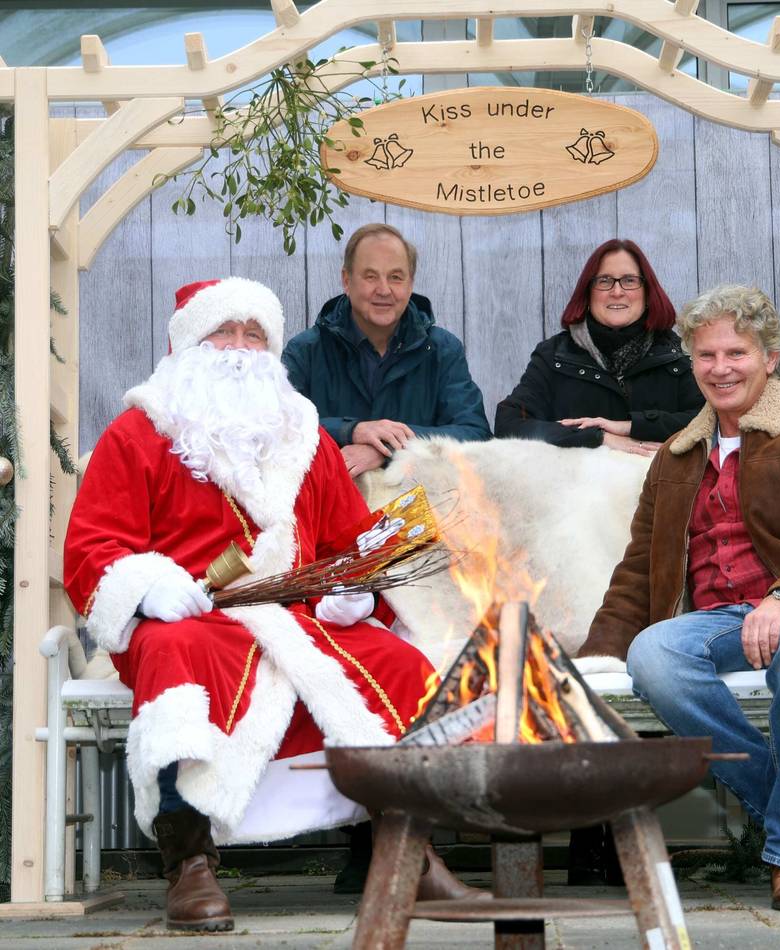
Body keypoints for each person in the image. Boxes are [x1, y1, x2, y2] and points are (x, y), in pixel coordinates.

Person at [64, 277, 479, 932]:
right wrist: (148, 584)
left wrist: (354, 589)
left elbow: (348, 542)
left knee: (396, 663)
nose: (237, 348)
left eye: (252, 334)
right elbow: (93, 547)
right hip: (188, 617)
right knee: (178, 659)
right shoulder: (138, 434)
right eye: (221, 332)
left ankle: (406, 854)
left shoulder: (304, 438)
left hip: (295, 616)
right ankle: (188, 860)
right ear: (184, 346)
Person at [574, 284, 780, 912]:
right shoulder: (677, 456)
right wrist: (592, 660)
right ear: (691, 364)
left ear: (769, 358)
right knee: (654, 656)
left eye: (736, 353)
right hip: (723, 621)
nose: (720, 368)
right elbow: (639, 568)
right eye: (706, 355)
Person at [282, 223, 491, 478]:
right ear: (346, 281)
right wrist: (353, 431)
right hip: (331, 511)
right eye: (371, 276)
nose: (384, 289)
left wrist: (389, 448)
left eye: (395, 277)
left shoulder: (442, 350)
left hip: (427, 510)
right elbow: (279, 428)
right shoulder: (306, 351)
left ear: (410, 283)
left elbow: (476, 434)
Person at [495, 238, 703, 456]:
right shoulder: (554, 355)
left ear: (647, 293)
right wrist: (598, 437)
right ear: (587, 293)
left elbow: (709, 421)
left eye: (629, 280)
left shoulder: (678, 355)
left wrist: (632, 426)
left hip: (658, 486)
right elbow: (508, 423)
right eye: (604, 281)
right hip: (576, 488)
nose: (616, 291)